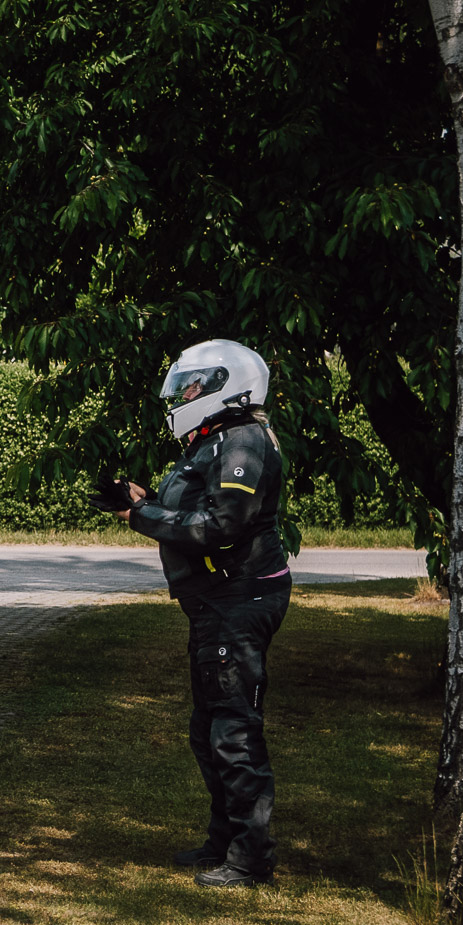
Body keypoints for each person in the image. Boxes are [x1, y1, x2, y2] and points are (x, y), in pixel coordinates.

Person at [90, 339, 290, 888]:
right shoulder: (216, 438)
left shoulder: (243, 441)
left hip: (238, 600)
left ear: (230, 384)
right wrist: (143, 500)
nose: (187, 395)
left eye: (196, 385)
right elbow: (197, 509)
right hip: (215, 603)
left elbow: (221, 526)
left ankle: (251, 859)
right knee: (209, 729)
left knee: (233, 732)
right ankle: (223, 841)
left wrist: (140, 515)